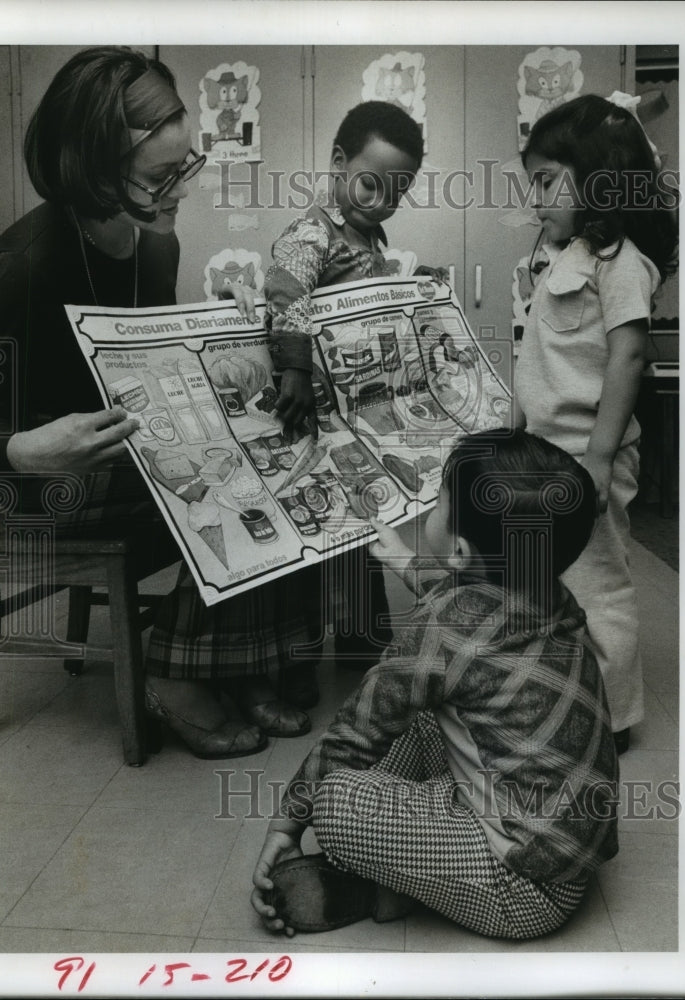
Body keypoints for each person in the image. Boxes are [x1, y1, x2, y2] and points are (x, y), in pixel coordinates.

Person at [0, 46, 315, 761]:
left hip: (119, 452)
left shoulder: (151, 249)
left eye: (184, 166)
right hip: (26, 481)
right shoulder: (18, 272)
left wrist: (218, 353)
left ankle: (237, 659)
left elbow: (142, 378)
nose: (181, 191)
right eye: (161, 176)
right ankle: (174, 674)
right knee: (228, 472)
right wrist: (20, 449)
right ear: (91, 168)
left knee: (281, 443)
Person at [251, 430, 619, 940]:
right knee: (425, 708)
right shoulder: (547, 592)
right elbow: (476, 609)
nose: (432, 507)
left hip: (522, 889)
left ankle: (399, 884)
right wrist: (404, 559)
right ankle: (408, 873)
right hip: (566, 850)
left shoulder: (443, 631)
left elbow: (353, 733)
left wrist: (286, 826)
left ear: (461, 550)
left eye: (440, 500)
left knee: (334, 798)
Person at [513, 93, 678, 753]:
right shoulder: (565, 255)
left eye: (547, 180)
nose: (536, 199)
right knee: (547, 581)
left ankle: (611, 716)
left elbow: (627, 356)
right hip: (543, 452)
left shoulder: (621, 263)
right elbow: (536, 353)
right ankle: (557, 698)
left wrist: (601, 456)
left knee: (596, 581)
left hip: (586, 453)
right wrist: (510, 424)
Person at [263, 101, 425, 684]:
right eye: (371, 183)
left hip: (356, 420)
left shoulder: (370, 239)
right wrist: (296, 371)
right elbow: (286, 291)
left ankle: (364, 649)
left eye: (397, 191)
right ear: (337, 162)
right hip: (310, 413)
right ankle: (295, 665)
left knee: (362, 532)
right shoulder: (313, 231)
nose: (382, 200)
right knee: (309, 541)